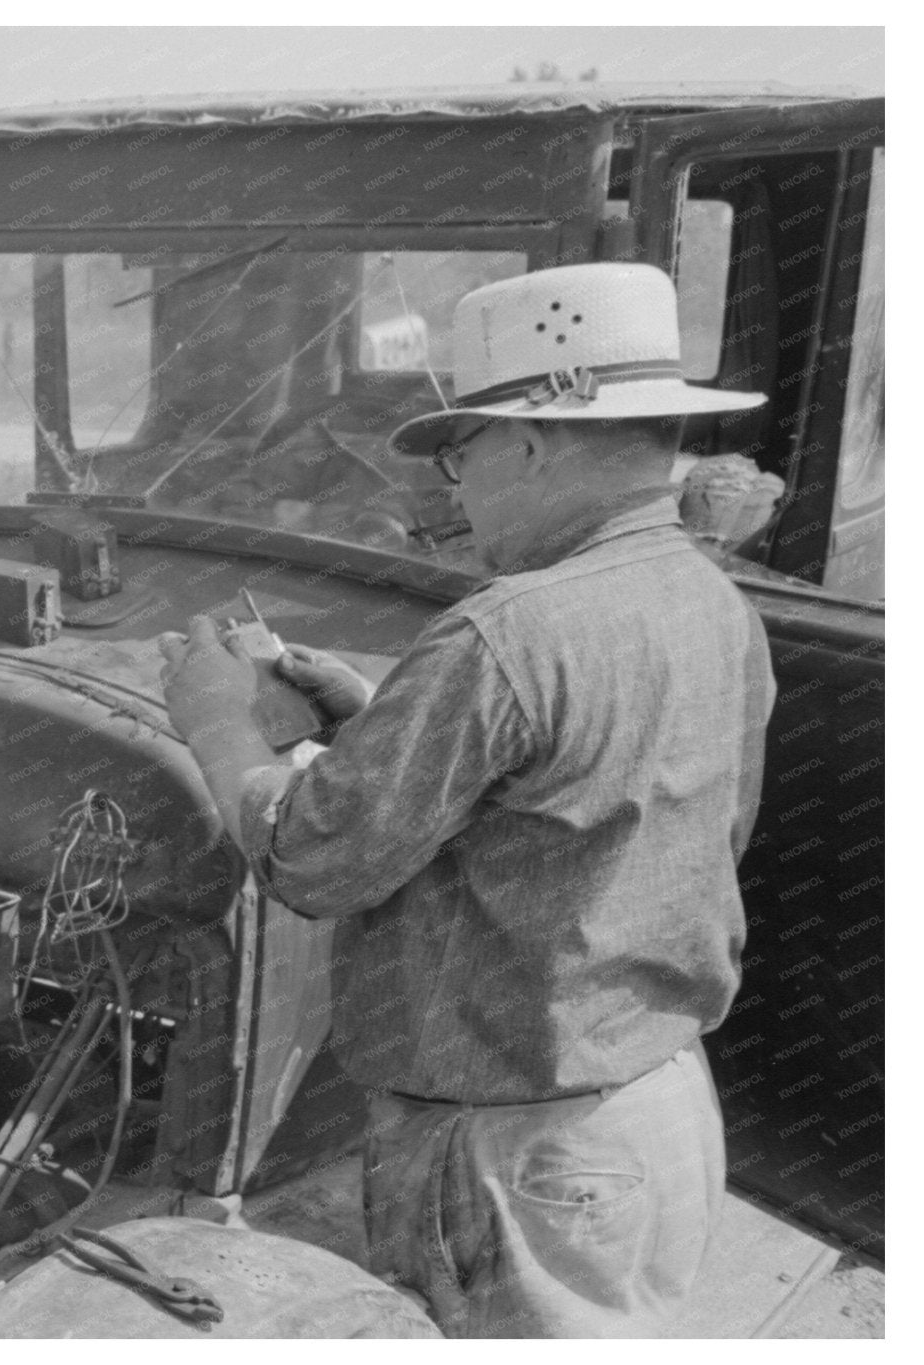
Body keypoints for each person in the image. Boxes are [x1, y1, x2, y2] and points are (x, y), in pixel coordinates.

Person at [158, 263, 774, 1337]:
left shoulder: (507, 630)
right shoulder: (710, 603)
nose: (451, 491)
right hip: (650, 1117)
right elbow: (597, 823)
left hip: (518, 1154)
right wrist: (368, 725)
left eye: (457, 454)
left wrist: (213, 719)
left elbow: (310, 860)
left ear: (529, 445)